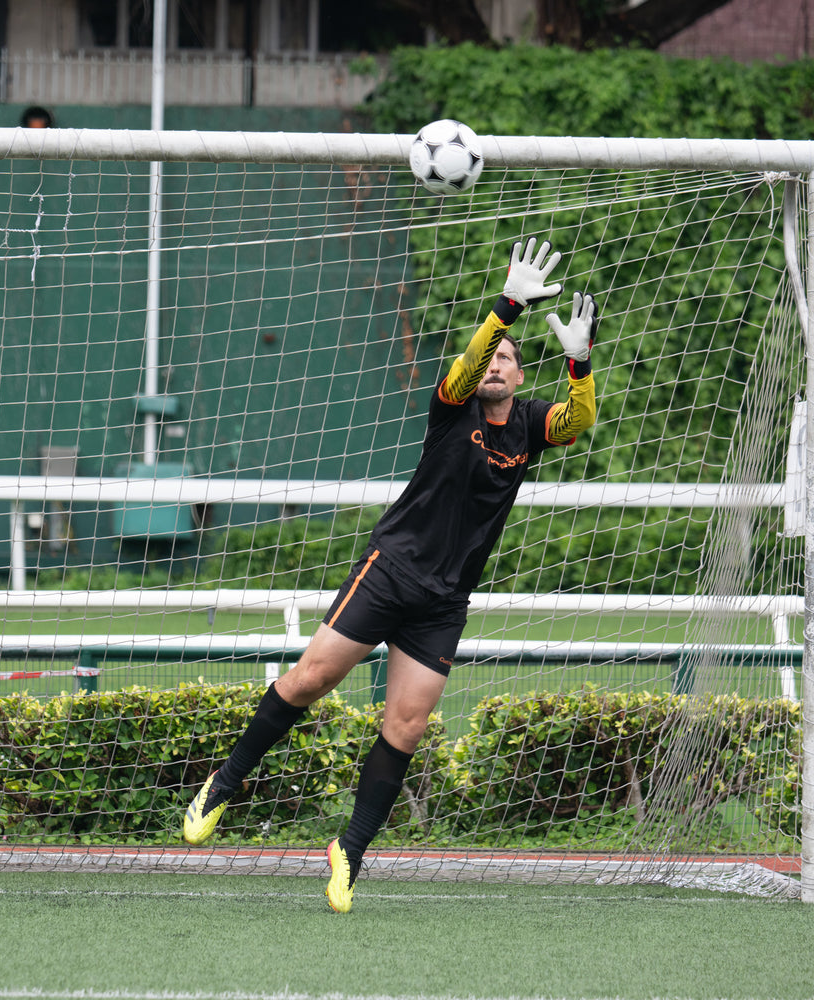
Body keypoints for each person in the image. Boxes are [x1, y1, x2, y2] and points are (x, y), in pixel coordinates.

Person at [181, 237, 599, 912]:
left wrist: (579, 362)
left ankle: (349, 849)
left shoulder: (529, 425)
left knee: (405, 726)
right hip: (391, 571)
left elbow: (579, 419)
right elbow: (465, 366)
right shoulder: (453, 406)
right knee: (310, 680)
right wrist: (507, 306)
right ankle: (223, 784)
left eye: (508, 359)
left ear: (521, 378)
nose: (495, 364)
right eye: (491, 356)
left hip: (444, 601)